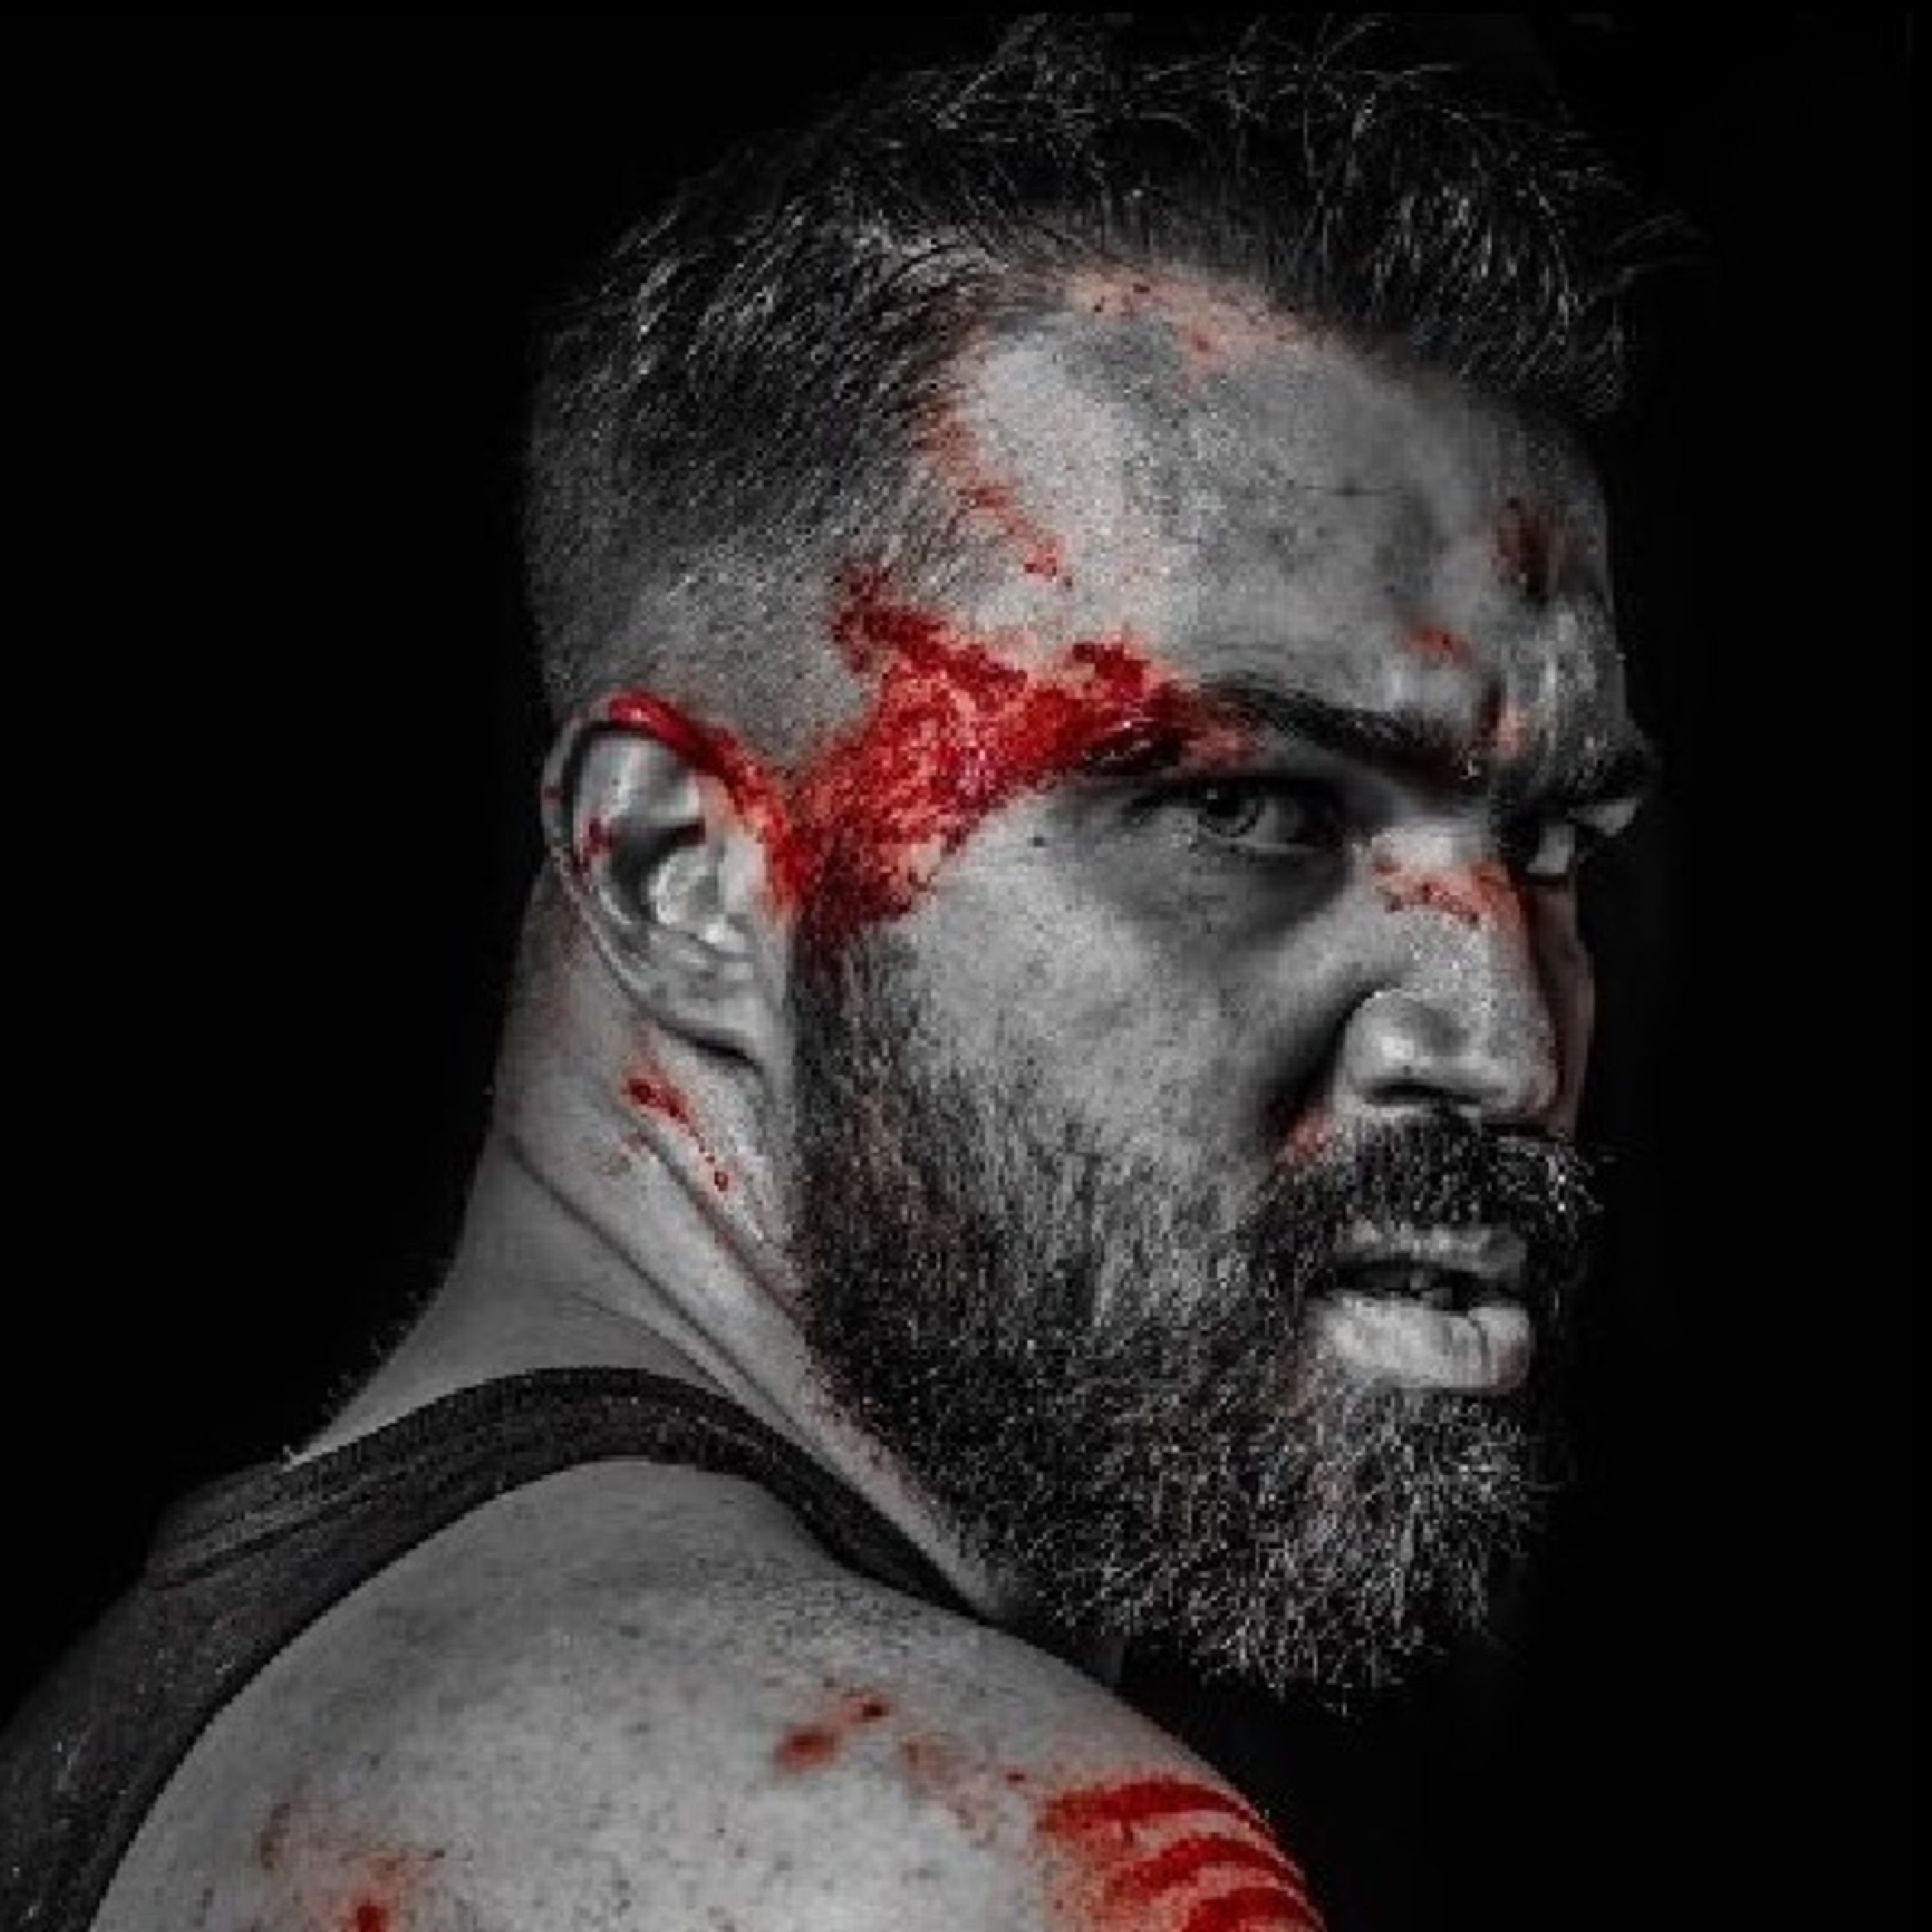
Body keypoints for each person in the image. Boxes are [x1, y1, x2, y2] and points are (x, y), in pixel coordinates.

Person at [2, 14, 1662, 1929]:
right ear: (681, 875)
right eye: (1251, 809)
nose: (1503, 1043)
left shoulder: (171, 1715)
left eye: (1554, 848)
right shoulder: (939, 1845)